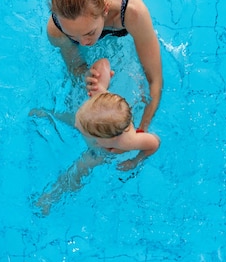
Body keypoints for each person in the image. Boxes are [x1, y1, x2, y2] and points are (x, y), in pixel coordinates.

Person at [47, 0, 163, 132]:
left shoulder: (132, 12)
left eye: (89, 33)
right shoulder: (57, 30)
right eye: (74, 37)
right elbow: (75, 68)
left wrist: (142, 127)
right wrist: (86, 75)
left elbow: (155, 80)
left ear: (105, 9)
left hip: (113, 5)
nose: (84, 43)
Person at [33, 58, 160, 215]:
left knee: (79, 168)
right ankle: (49, 114)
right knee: (71, 119)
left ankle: (50, 198)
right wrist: (94, 76)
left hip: (101, 153)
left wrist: (135, 161)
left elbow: (154, 143)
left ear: (106, 140)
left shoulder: (127, 141)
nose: (79, 127)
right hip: (96, 123)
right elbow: (105, 63)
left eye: (84, 129)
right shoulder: (98, 99)